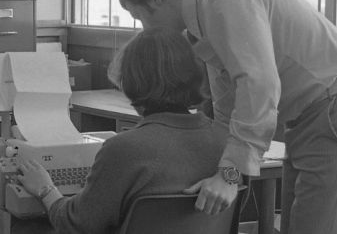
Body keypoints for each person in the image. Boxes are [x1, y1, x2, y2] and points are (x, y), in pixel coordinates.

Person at [118, 0, 337, 234]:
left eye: (139, 17)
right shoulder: (202, 24)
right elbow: (227, 113)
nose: (145, 29)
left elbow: (259, 84)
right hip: (313, 115)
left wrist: (228, 176)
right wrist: (224, 171)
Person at [16, 27, 230, 234]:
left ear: (131, 82)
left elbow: (75, 224)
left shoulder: (123, 149)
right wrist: (231, 176)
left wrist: (45, 189)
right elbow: (236, 181)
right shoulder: (228, 145)